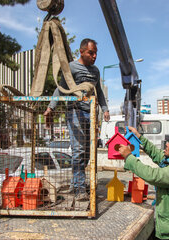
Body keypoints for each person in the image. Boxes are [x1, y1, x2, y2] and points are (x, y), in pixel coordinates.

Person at [44, 38, 110, 201]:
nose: (94, 56)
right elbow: (59, 89)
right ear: (81, 51)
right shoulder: (72, 67)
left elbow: (99, 91)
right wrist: (50, 108)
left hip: (91, 114)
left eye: (95, 53)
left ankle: (75, 184)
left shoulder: (95, 71)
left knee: (88, 153)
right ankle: (80, 188)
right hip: (75, 112)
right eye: (91, 52)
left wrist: (105, 109)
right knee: (79, 151)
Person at [117, 127, 169, 240]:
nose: (167, 144)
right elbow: (155, 153)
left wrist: (129, 157)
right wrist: (139, 137)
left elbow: (152, 175)